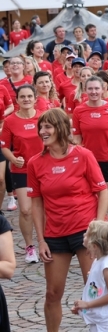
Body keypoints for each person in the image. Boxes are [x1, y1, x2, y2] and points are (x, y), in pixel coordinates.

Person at [29, 108, 108, 332]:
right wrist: (41, 239)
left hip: (85, 232)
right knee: (52, 293)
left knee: (94, 289)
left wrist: (96, 226)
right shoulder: (35, 163)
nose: (42, 132)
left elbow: (102, 192)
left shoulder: (83, 155)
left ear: (61, 128)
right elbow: (36, 202)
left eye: (47, 127)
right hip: (55, 234)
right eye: (40, 127)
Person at [0, 85, 43, 263]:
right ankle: (30, 246)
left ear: (35, 98)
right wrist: (13, 159)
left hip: (43, 168)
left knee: (45, 208)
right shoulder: (10, 121)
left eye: (29, 96)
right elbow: (4, 146)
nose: (26, 99)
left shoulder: (43, 116)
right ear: (16, 100)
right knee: (25, 210)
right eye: (22, 97)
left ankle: (46, 242)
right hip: (21, 170)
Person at [72, 76, 108, 225]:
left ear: (103, 89)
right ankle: (95, 231)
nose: (94, 92)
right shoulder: (79, 110)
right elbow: (77, 139)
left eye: (96, 88)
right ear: (85, 90)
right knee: (92, 198)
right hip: (88, 161)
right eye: (90, 89)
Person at [70, 220, 108, 332]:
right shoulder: (98, 261)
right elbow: (96, 287)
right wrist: (81, 305)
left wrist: (88, 304)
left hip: (106, 324)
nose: (83, 235)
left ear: (94, 246)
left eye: (86, 234)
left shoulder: (107, 265)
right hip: (99, 321)